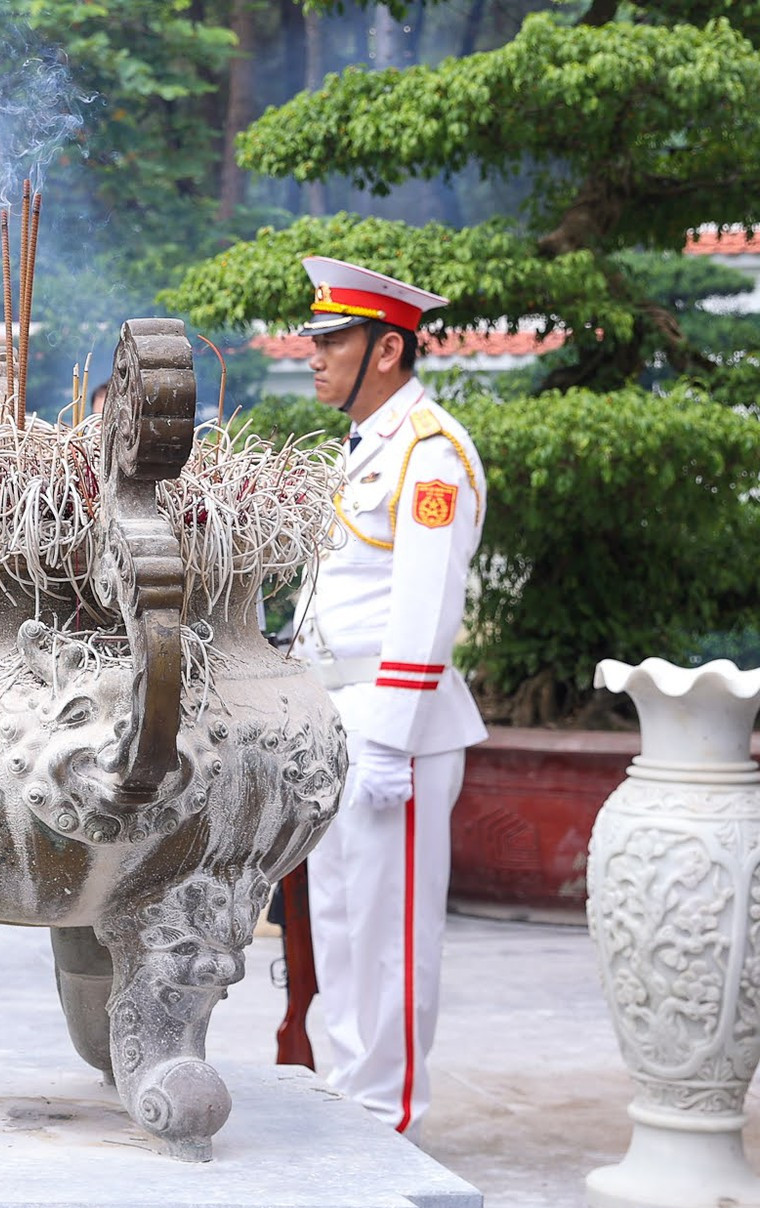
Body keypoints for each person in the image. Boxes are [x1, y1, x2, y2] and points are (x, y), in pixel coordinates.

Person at [289, 255, 488, 1135]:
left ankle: (386, 1109)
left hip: (391, 718)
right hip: (339, 709)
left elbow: (425, 603)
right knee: (338, 918)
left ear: (388, 349)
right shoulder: (368, 447)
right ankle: (347, 1086)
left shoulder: (431, 453)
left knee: (390, 925)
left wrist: (389, 736)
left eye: (333, 339)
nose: (314, 354)